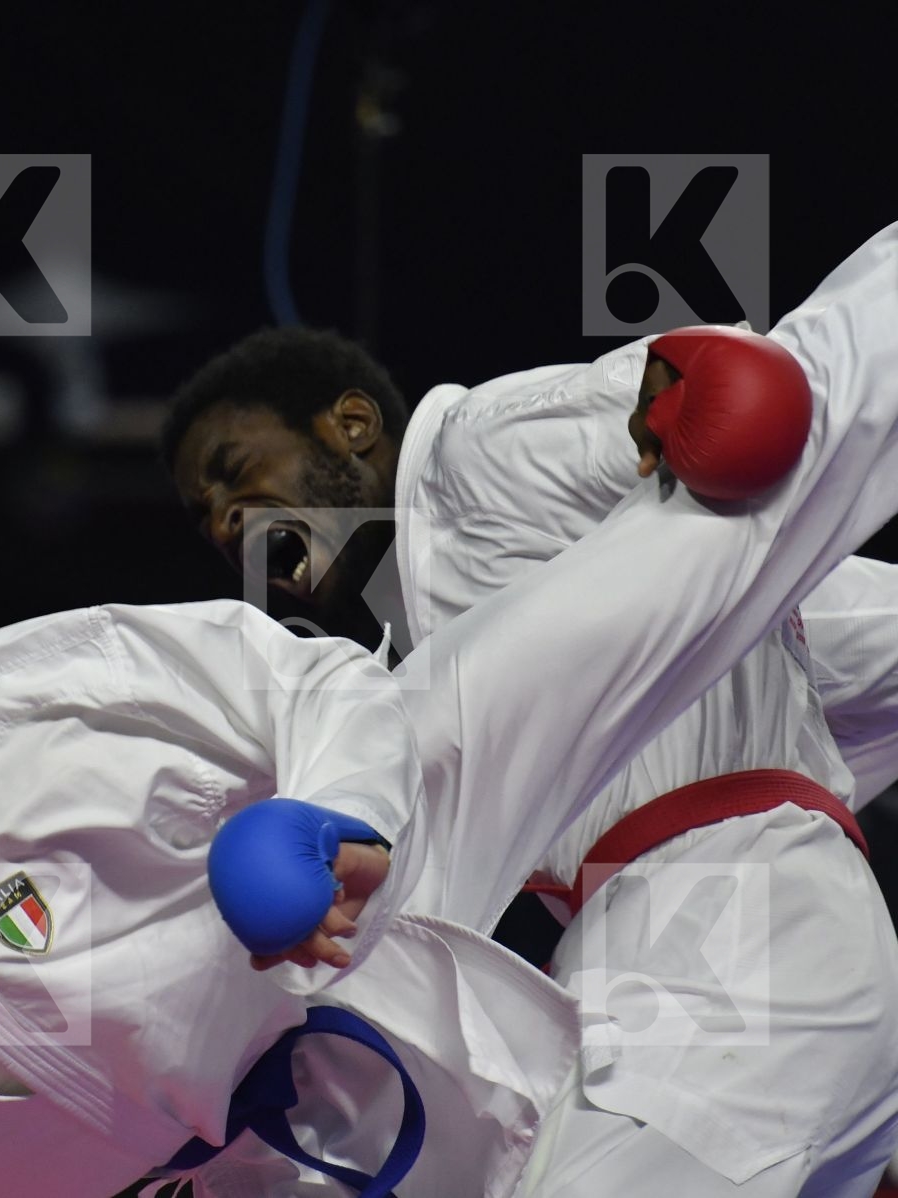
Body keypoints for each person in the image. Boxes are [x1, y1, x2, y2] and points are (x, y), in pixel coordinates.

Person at [0, 225, 898, 1196]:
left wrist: (328, 809)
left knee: (655, 582)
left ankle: (858, 349)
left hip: (348, 910)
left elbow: (301, 678)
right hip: (303, 1133)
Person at [166, 222, 898, 1194]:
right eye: (202, 514)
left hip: (727, 943)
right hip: (712, 956)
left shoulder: (472, 461)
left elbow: (697, 388)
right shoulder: (392, 684)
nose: (224, 520)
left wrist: (673, 393)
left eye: (231, 468)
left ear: (349, 424)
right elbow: (845, 639)